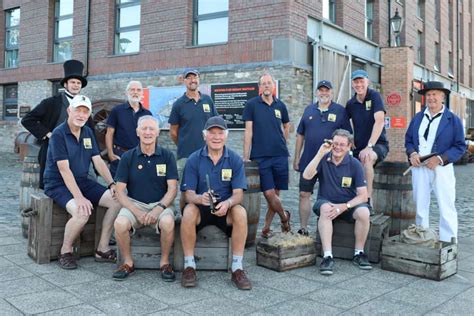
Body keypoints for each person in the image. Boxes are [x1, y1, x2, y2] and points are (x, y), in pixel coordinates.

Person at [43, 95, 121, 269]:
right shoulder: (58, 134)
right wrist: (79, 197)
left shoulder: (87, 132)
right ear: (69, 111)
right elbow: (64, 169)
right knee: (81, 212)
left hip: (82, 181)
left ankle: (102, 248)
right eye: (77, 110)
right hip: (57, 183)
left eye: (85, 112)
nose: (81, 115)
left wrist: (112, 184)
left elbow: (98, 161)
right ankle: (65, 251)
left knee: (117, 201)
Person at [180, 116, 252, 290]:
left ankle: (237, 267)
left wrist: (227, 203)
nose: (216, 137)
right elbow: (187, 193)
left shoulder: (234, 159)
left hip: (224, 211)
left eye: (220, 133)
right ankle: (189, 266)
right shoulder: (194, 159)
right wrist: (199, 198)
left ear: (226, 136)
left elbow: (238, 194)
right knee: (189, 210)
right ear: (205, 136)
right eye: (212, 133)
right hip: (200, 210)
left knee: (240, 212)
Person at [112, 115, 178, 281]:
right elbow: (120, 191)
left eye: (151, 129)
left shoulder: (167, 155)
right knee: (119, 223)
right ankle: (128, 263)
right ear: (137, 132)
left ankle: (164, 263)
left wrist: (158, 209)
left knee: (168, 222)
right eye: (144, 129)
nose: (148, 132)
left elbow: (172, 189)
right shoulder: (128, 157)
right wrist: (136, 211)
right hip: (135, 205)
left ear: (157, 132)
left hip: (161, 205)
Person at [303, 129, 371, 275]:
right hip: (326, 201)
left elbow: (363, 196)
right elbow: (307, 176)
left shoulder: (355, 164)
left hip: (348, 205)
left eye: (342, 144)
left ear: (348, 147)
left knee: (364, 212)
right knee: (326, 209)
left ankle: (359, 253)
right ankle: (328, 256)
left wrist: (344, 206)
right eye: (335, 144)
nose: (338, 147)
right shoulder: (323, 159)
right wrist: (320, 153)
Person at [405, 81, 466, 243]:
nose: (431, 98)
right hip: (419, 167)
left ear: (442, 97)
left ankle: (449, 243)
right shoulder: (418, 117)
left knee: (446, 206)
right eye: (428, 95)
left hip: (441, 168)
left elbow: (460, 146)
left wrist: (440, 159)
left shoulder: (452, 119)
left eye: (435, 94)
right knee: (420, 207)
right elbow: (409, 140)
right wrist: (412, 153)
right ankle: (422, 238)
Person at [293, 80, 352, 236]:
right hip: (309, 160)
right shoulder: (308, 110)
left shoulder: (340, 111)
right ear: (316, 92)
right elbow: (300, 135)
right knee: (304, 194)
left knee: (329, 195)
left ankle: (328, 229)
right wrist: (296, 157)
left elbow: (348, 137)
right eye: (321, 90)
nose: (323, 93)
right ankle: (303, 228)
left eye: (327, 90)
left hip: (331, 162)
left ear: (331, 92)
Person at [22, 59, 89, 189]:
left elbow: (88, 130)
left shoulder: (85, 105)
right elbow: (27, 119)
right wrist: (47, 133)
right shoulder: (51, 103)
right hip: (52, 152)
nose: (76, 85)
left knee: (77, 186)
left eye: (78, 83)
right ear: (65, 84)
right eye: (73, 82)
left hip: (77, 154)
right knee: (53, 188)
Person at [243, 73, 291, 238]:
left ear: (274, 86)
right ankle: (285, 218)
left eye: (269, 83)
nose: (266, 86)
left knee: (276, 194)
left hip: (280, 156)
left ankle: (266, 228)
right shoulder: (252, 105)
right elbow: (248, 132)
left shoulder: (280, 105)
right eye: (263, 84)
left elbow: (287, 126)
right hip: (260, 157)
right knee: (269, 193)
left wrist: (282, 141)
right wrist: (246, 156)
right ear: (259, 88)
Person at [345, 70, 389, 208]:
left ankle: (367, 200)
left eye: (361, 81)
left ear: (367, 82)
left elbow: (380, 121)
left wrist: (369, 146)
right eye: (356, 82)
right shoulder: (351, 103)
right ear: (352, 84)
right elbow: (345, 125)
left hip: (377, 145)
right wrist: (349, 142)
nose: (359, 85)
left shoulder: (374, 96)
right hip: (358, 147)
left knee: (366, 158)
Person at [168, 69, 218, 174]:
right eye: (189, 78)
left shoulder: (208, 100)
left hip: (208, 154)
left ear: (199, 79)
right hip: (186, 157)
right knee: (186, 188)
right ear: (184, 81)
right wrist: (183, 144)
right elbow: (173, 132)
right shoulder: (178, 104)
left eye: (195, 77)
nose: (192, 80)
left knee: (207, 187)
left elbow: (215, 125)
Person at [105, 81, 152, 177]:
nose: (135, 92)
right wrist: (110, 154)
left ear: (142, 93)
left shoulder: (147, 114)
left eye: (138, 90)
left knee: (139, 187)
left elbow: (152, 135)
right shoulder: (117, 111)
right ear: (127, 92)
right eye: (132, 90)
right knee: (118, 188)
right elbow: (109, 133)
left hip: (141, 156)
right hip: (120, 155)